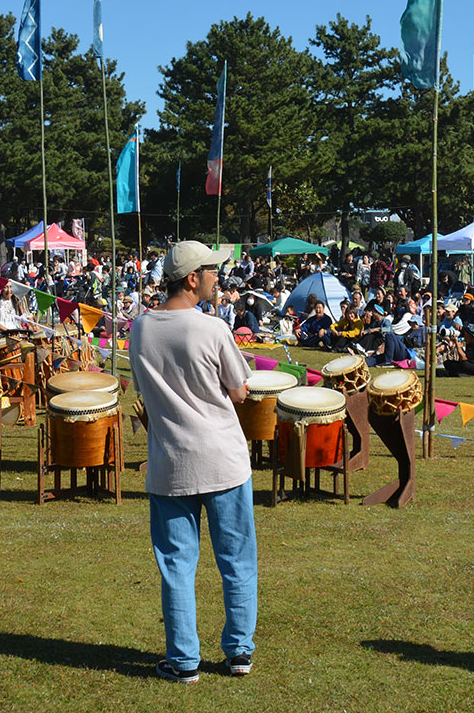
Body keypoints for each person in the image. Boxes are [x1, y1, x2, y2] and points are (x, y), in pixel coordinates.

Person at [128, 241, 258, 683]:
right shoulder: (212, 329)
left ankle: (184, 661)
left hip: (171, 463)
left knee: (176, 566)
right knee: (237, 560)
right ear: (191, 278)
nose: (217, 278)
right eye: (211, 271)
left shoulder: (140, 329)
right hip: (222, 460)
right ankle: (239, 652)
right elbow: (241, 392)